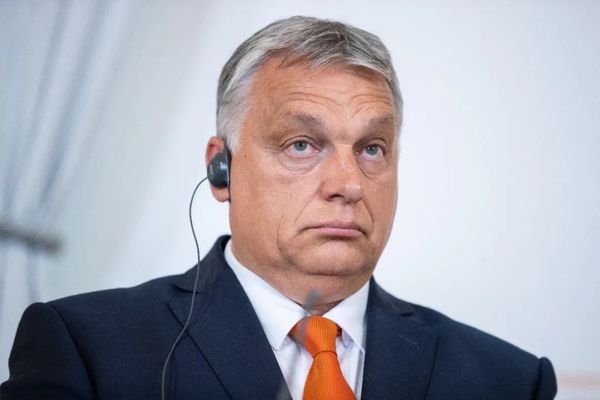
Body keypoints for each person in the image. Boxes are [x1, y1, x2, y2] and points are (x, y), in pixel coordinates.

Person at [1, 16, 557, 400]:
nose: (348, 184)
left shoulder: (508, 380)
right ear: (222, 169)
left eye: (372, 148)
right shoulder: (86, 350)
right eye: (301, 145)